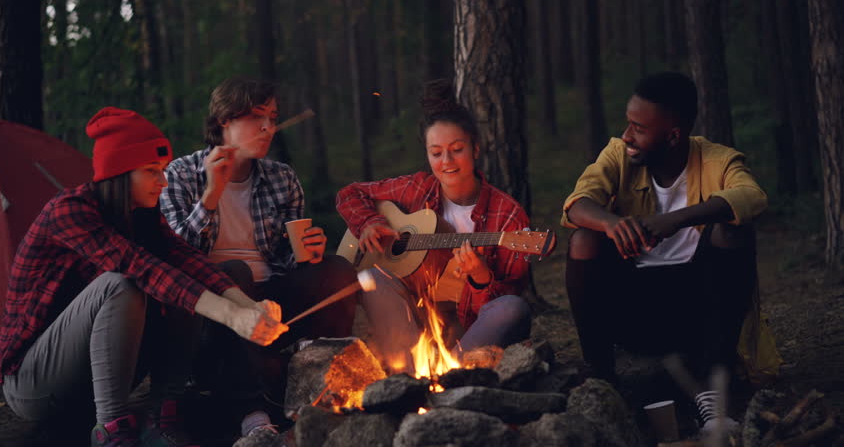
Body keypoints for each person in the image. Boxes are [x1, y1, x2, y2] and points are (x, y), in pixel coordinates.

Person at [0, 107, 287, 447]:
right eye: (151, 172)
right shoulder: (69, 211)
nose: (163, 182)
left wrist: (250, 306)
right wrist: (230, 316)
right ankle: (111, 430)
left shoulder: (142, 214)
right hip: (35, 383)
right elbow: (139, 267)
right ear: (118, 175)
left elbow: (187, 260)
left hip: (99, 370)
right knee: (121, 285)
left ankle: (164, 413)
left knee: (202, 274)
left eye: (162, 171)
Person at [561, 72, 767, 433]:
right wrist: (610, 224)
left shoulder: (717, 160)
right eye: (628, 123)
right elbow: (578, 202)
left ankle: (712, 394)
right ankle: (603, 379)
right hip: (634, 306)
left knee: (733, 232)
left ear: (673, 136)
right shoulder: (618, 155)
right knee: (583, 239)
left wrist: (674, 220)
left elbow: (752, 196)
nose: (627, 136)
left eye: (638, 128)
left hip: (700, 311)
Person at [159, 77, 356, 435]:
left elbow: (286, 260)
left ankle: (322, 373)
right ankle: (253, 411)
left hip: (272, 303)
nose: (269, 127)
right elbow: (176, 259)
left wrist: (307, 253)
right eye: (256, 117)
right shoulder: (181, 175)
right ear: (224, 121)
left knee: (338, 269)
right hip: (214, 314)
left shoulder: (281, 178)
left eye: (273, 117)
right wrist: (211, 195)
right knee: (233, 272)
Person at [335, 79, 532, 373]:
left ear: (475, 149)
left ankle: (447, 373)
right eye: (436, 152)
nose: (446, 162)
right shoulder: (416, 188)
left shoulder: (508, 216)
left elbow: (504, 299)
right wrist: (370, 222)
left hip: (467, 329)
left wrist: (480, 277)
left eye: (456, 149)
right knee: (370, 276)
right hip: (411, 321)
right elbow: (350, 194)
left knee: (513, 309)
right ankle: (414, 374)